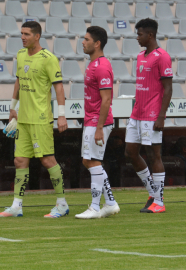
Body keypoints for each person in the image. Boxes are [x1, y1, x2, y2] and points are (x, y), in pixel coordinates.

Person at [0, 21, 69, 218]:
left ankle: (62, 204)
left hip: (41, 118)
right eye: (21, 33)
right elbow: (19, 80)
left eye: (27, 34)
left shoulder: (48, 58)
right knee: (19, 161)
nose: (23, 37)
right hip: (23, 119)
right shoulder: (20, 55)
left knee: (47, 159)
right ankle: (16, 206)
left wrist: (62, 114)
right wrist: (13, 107)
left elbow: (59, 87)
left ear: (37, 36)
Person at [124, 18, 173, 214]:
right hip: (137, 113)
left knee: (154, 155)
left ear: (150, 35)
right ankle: (153, 193)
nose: (138, 38)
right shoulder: (140, 56)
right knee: (130, 152)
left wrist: (161, 116)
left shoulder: (162, 56)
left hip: (152, 114)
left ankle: (159, 202)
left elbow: (168, 88)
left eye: (140, 34)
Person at [75, 26, 120, 219]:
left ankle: (95, 207)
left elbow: (107, 99)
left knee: (92, 161)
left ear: (97, 43)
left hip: (97, 121)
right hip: (92, 120)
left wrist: (99, 127)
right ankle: (109, 203)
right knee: (89, 160)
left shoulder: (102, 66)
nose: (83, 42)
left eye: (86, 39)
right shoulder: (92, 64)